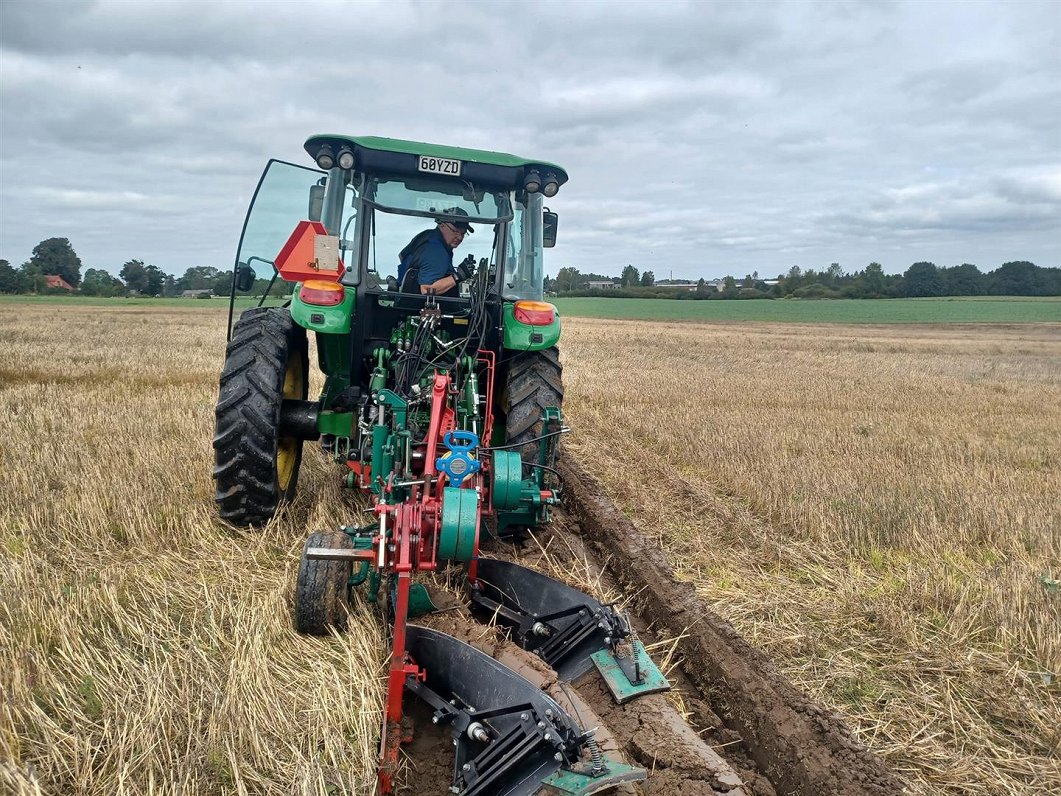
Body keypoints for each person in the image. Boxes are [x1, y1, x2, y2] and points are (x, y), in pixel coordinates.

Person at [397, 208, 476, 297]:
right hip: (421, 307)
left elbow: (402, 256)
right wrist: (458, 276)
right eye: (455, 231)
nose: (460, 238)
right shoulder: (436, 251)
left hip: (403, 300)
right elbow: (426, 290)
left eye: (463, 233)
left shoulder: (426, 236)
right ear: (442, 225)